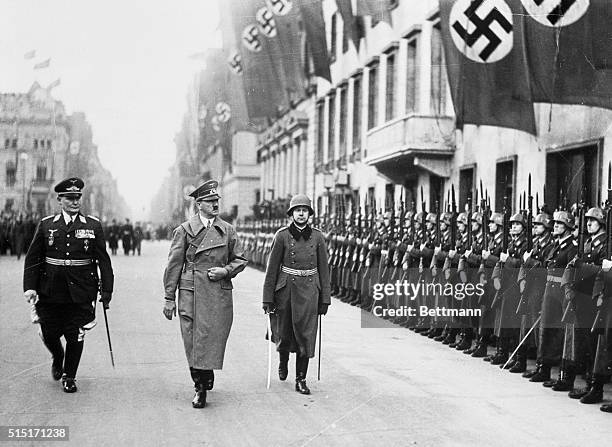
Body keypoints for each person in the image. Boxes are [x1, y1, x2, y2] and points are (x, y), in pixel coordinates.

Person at [22, 177, 114, 393]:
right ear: (60, 200)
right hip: (50, 289)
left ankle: (69, 375)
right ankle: (58, 355)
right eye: (70, 198)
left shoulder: (93, 225)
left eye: (78, 198)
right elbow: (33, 258)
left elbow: (104, 260)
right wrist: (30, 287)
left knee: (75, 333)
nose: (75, 202)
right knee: (49, 332)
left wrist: (107, 290)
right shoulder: (47, 225)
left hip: (81, 289)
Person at [162, 180, 247, 409]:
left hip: (217, 292)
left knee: (212, 337)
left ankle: (204, 375)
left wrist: (225, 271)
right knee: (193, 339)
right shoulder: (184, 230)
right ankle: (199, 386)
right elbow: (173, 266)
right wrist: (169, 297)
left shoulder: (227, 230)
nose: (215, 204)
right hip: (191, 291)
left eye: (216, 201)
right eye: (210, 201)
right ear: (199, 204)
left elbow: (240, 259)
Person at [262, 194, 331, 395]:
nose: (301, 214)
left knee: (306, 334)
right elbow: (272, 268)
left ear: (309, 214)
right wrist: (268, 297)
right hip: (286, 290)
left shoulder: (318, 237)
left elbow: (324, 269)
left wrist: (325, 298)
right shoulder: (281, 236)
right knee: (284, 332)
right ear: (291, 214)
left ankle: (300, 379)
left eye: (305, 211)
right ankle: (283, 359)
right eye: (297, 211)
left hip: (310, 290)